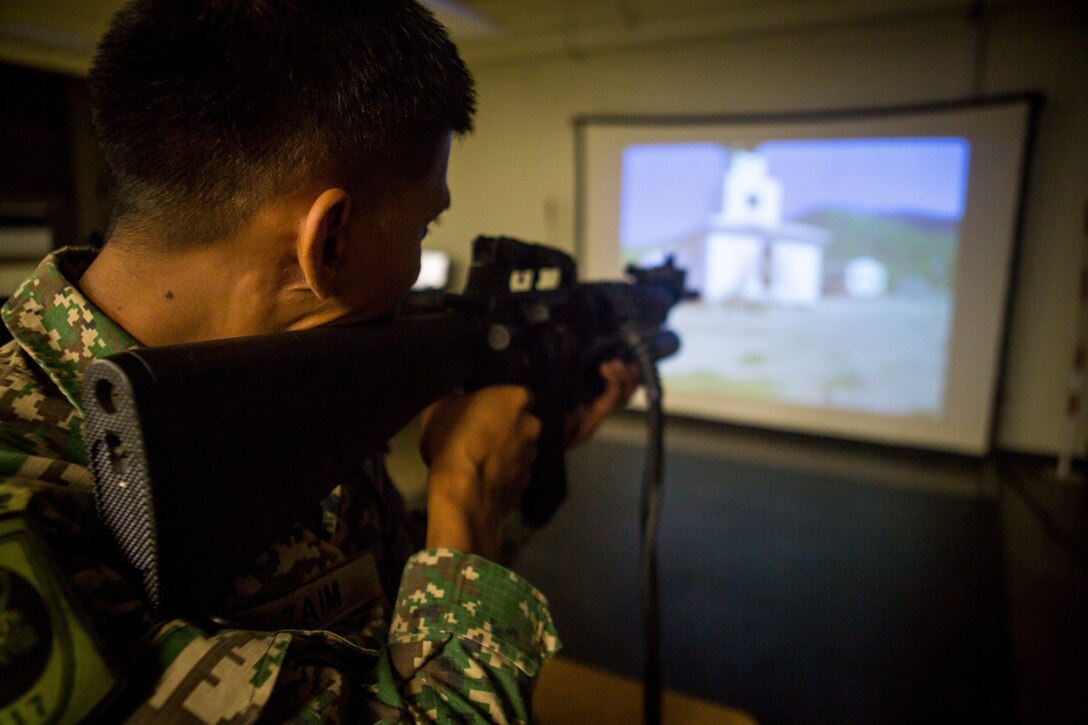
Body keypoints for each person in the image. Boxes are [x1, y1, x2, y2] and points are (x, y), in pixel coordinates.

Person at [0, 1, 637, 722]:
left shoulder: (285, 377)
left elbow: (387, 600)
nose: (417, 270)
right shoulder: (22, 522)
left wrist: (501, 488)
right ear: (327, 240)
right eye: (424, 227)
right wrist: (466, 495)